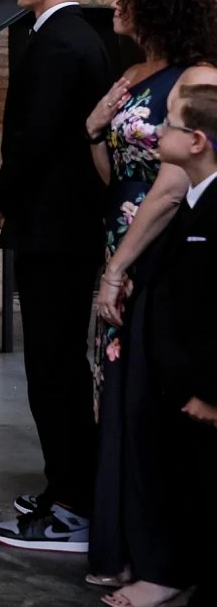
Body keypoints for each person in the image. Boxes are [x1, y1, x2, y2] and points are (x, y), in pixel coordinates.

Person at [83, 0, 217, 599]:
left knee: (151, 402)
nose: (114, 8)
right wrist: (92, 129)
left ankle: (166, 561)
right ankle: (128, 545)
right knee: (116, 396)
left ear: (157, 6)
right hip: (120, 233)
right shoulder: (134, 74)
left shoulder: (198, 78)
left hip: (159, 252)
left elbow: (168, 187)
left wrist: (119, 267)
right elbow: (119, 173)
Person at [0, 0, 111, 552]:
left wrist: (1, 193)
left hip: (57, 229)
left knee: (53, 370)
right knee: (54, 367)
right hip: (58, 226)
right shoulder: (61, 36)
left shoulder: (62, 42)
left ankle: (73, 506)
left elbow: (35, 139)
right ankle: (65, 484)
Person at [112, 82, 217, 607]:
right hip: (173, 375)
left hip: (200, 387)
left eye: (170, 124)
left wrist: (211, 392)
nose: (157, 132)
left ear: (196, 141)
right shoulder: (196, 205)